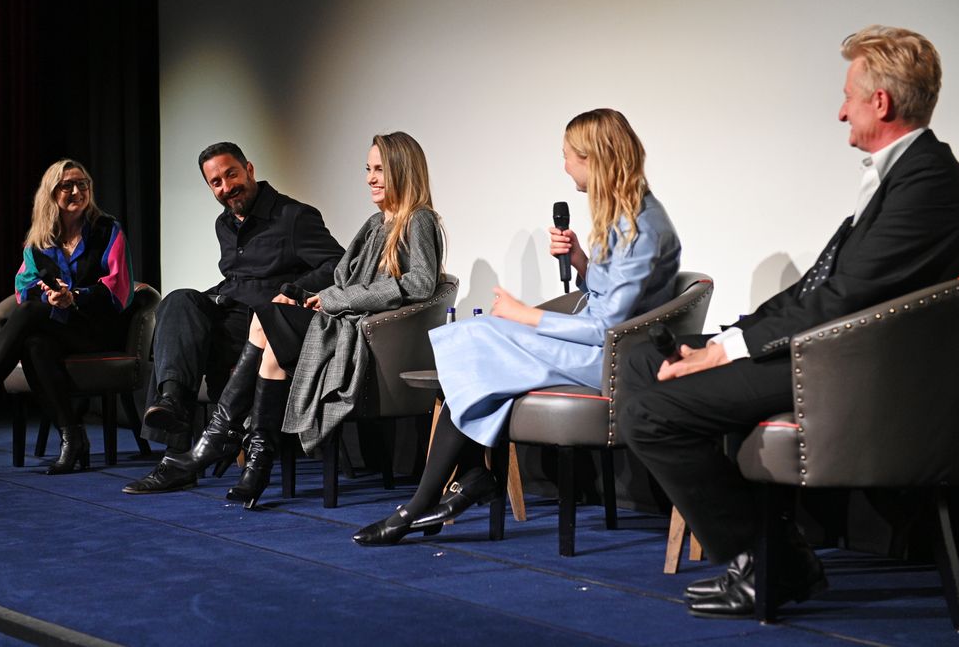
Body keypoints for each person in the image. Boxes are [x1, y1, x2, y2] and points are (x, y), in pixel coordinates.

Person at [617, 25, 959, 619]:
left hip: (855, 371)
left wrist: (728, 351)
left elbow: (840, 302)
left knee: (648, 412)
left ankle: (770, 559)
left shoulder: (930, 183)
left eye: (848, 96)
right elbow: (818, 288)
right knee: (646, 360)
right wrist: (725, 337)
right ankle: (774, 554)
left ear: (879, 103)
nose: (840, 111)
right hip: (835, 352)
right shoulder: (904, 175)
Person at [353, 108, 682, 546]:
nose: (564, 166)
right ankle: (453, 486)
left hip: (612, 359)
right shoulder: (625, 215)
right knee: (476, 344)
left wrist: (526, 314)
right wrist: (581, 260)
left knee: (478, 338)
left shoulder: (641, 224)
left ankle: (433, 497)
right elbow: (613, 294)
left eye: (568, 157)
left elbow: (610, 324)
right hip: (596, 344)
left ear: (593, 158)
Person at [137, 131, 446, 507]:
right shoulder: (377, 222)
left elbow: (419, 282)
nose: (370, 178)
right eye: (368, 169)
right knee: (210, 313)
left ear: (402, 169)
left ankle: (216, 441)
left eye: (379, 169)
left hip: (355, 329)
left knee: (266, 317)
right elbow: (349, 278)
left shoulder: (419, 220)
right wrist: (313, 298)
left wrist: (328, 298)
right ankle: (254, 461)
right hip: (337, 316)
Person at [123, 142, 344, 494]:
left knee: (187, 339)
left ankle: (179, 457)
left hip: (267, 326)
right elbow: (237, 276)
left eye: (231, 175)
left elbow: (337, 264)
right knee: (178, 302)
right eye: (216, 183)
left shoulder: (293, 216)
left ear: (249, 169)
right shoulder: (224, 224)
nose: (226, 187)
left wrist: (293, 289)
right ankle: (172, 407)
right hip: (231, 315)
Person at [0, 159, 135, 474]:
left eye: (82, 184)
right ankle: (72, 437)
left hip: (98, 329)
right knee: (34, 343)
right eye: (67, 185)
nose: (77, 191)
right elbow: (24, 287)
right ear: (51, 193)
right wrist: (50, 296)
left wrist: (75, 296)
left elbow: (119, 288)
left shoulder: (107, 229)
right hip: (58, 329)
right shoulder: (39, 242)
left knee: (31, 315)